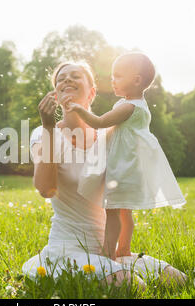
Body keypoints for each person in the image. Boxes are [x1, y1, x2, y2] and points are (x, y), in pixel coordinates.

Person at [22, 60, 187, 288]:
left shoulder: (111, 135)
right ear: (56, 94)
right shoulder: (43, 133)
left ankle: (114, 266)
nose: (67, 79)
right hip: (68, 248)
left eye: (75, 76)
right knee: (132, 285)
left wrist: (122, 249)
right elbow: (45, 189)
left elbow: (124, 191)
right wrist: (49, 127)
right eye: (61, 78)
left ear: (91, 93)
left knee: (177, 280)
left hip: (108, 250)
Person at [63, 52, 187, 261]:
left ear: (137, 80)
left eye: (118, 76)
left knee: (113, 211)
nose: (112, 80)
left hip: (123, 168)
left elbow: (100, 123)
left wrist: (78, 109)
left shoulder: (130, 107)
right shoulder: (133, 104)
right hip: (129, 167)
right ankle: (124, 250)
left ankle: (109, 253)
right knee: (124, 212)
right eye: (112, 76)